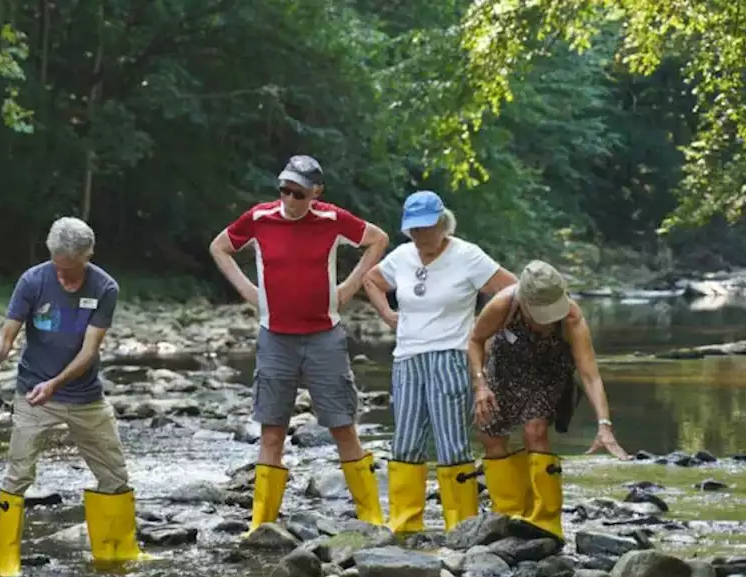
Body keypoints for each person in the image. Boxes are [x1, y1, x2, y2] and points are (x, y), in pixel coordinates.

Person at [209, 155, 390, 530]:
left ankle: (371, 519)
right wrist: (247, 290)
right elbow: (219, 247)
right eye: (284, 190)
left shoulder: (331, 219)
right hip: (275, 338)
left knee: (343, 426)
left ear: (315, 193)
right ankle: (262, 524)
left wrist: (349, 287)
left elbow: (378, 240)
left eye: (298, 193)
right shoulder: (259, 218)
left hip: (325, 336)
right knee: (272, 429)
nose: (289, 199)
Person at [0, 216, 142, 577]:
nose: (65, 277)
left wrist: (56, 382)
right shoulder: (32, 281)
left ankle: (116, 552)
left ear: (89, 255)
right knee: (18, 474)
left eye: (72, 269)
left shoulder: (105, 288)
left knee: (114, 475)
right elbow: (7, 336)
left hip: (85, 397)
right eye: (59, 268)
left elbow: (89, 351)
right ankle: (3, 557)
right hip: (33, 394)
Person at [362, 190, 518, 534]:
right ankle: (405, 525)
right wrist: (389, 315)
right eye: (413, 230)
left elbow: (512, 291)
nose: (420, 236)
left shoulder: (467, 256)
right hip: (407, 358)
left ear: (442, 224)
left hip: (451, 355)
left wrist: (487, 336)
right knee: (405, 440)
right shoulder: (402, 257)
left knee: (450, 441)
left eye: (426, 228)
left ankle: (460, 525)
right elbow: (370, 279)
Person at [469, 260, 628, 540]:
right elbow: (475, 340)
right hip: (503, 369)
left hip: (549, 374)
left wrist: (604, 424)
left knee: (535, 429)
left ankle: (546, 521)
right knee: (490, 434)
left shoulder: (571, 317)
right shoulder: (503, 305)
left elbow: (590, 375)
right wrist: (481, 385)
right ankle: (508, 514)